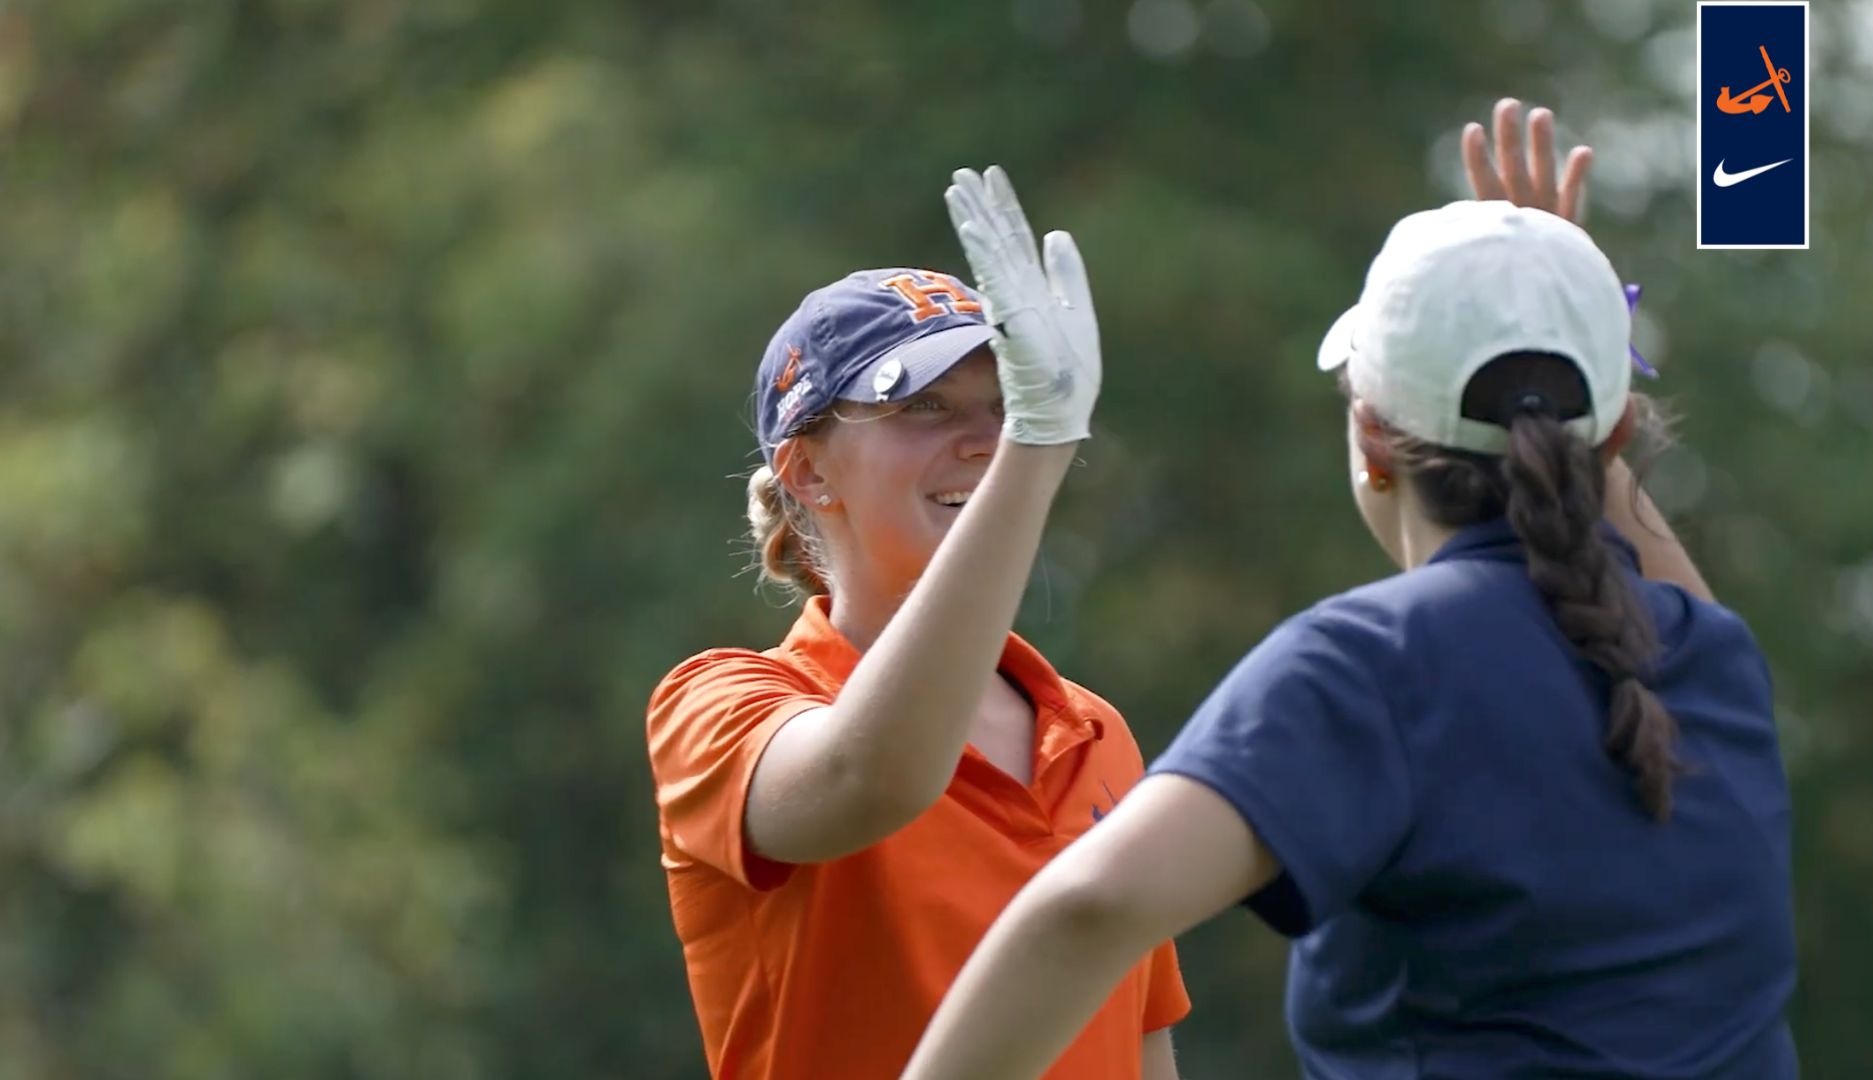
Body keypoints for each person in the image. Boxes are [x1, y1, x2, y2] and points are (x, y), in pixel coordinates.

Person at [902, 101, 1796, 1079]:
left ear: (1371, 441)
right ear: (1616, 436)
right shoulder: (1714, 661)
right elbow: (1644, 555)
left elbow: (1088, 907)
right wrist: (1556, 327)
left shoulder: (1372, 668)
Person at [646, 165, 1188, 1079]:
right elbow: (874, 775)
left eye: (1004, 404)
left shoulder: (1097, 735)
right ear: (810, 473)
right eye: (923, 406)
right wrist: (1036, 447)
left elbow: (1140, 1047)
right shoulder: (716, 704)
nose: (982, 439)